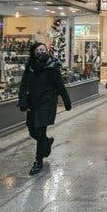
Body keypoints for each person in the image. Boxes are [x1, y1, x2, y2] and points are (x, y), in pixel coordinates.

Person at [18, 43, 72, 175]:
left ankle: (38, 161)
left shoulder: (52, 66)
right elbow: (23, 85)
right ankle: (46, 143)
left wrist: (67, 102)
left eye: (42, 49)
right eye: (36, 50)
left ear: (47, 51)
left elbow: (59, 85)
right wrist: (23, 102)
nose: (39, 52)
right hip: (33, 103)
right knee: (32, 131)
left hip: (46, 102)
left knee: (40, 130)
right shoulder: (30, 67)